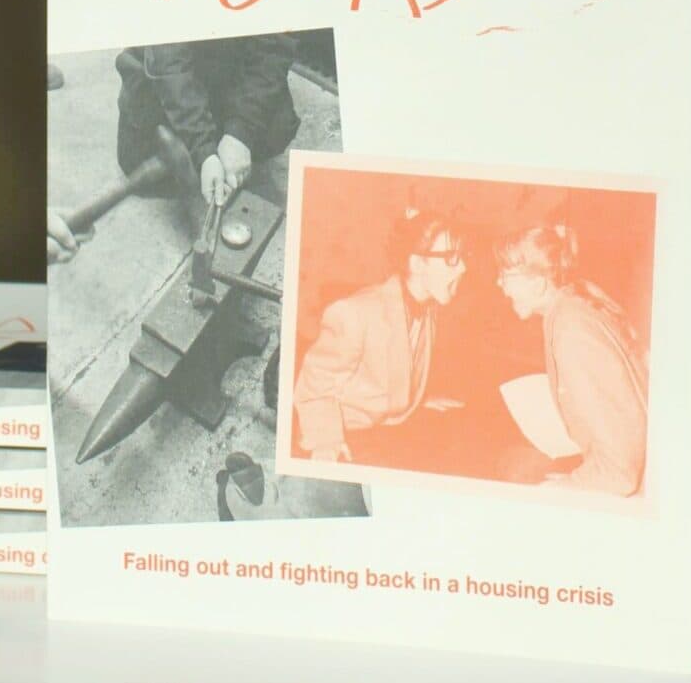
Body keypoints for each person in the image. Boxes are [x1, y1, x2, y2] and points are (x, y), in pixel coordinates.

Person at [292, 212, 467, 462]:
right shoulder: (354, 313)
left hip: (387, 426)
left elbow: (397, 365)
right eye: (451, 258)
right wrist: (327, 442)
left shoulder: (430, 309)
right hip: (342, 434)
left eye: (463, 257)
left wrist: (417, 398)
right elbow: (314, 386)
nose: (463, 267)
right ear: (417, 264)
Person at [493, 223, 649, 497]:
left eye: (505, 274)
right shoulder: (579, 299)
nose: (499, 283)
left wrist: (570, 485)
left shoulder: (570, 329)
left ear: (538, 283)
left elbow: (619, 473)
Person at [115, 35, 299, 208]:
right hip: (163, 70)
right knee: (139, 160)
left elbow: (275, 49)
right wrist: (203, 149)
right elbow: (169, 65)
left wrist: (240, 132)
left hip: (227, 63)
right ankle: (207, 147)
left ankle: (217, 146)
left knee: (278, 128)